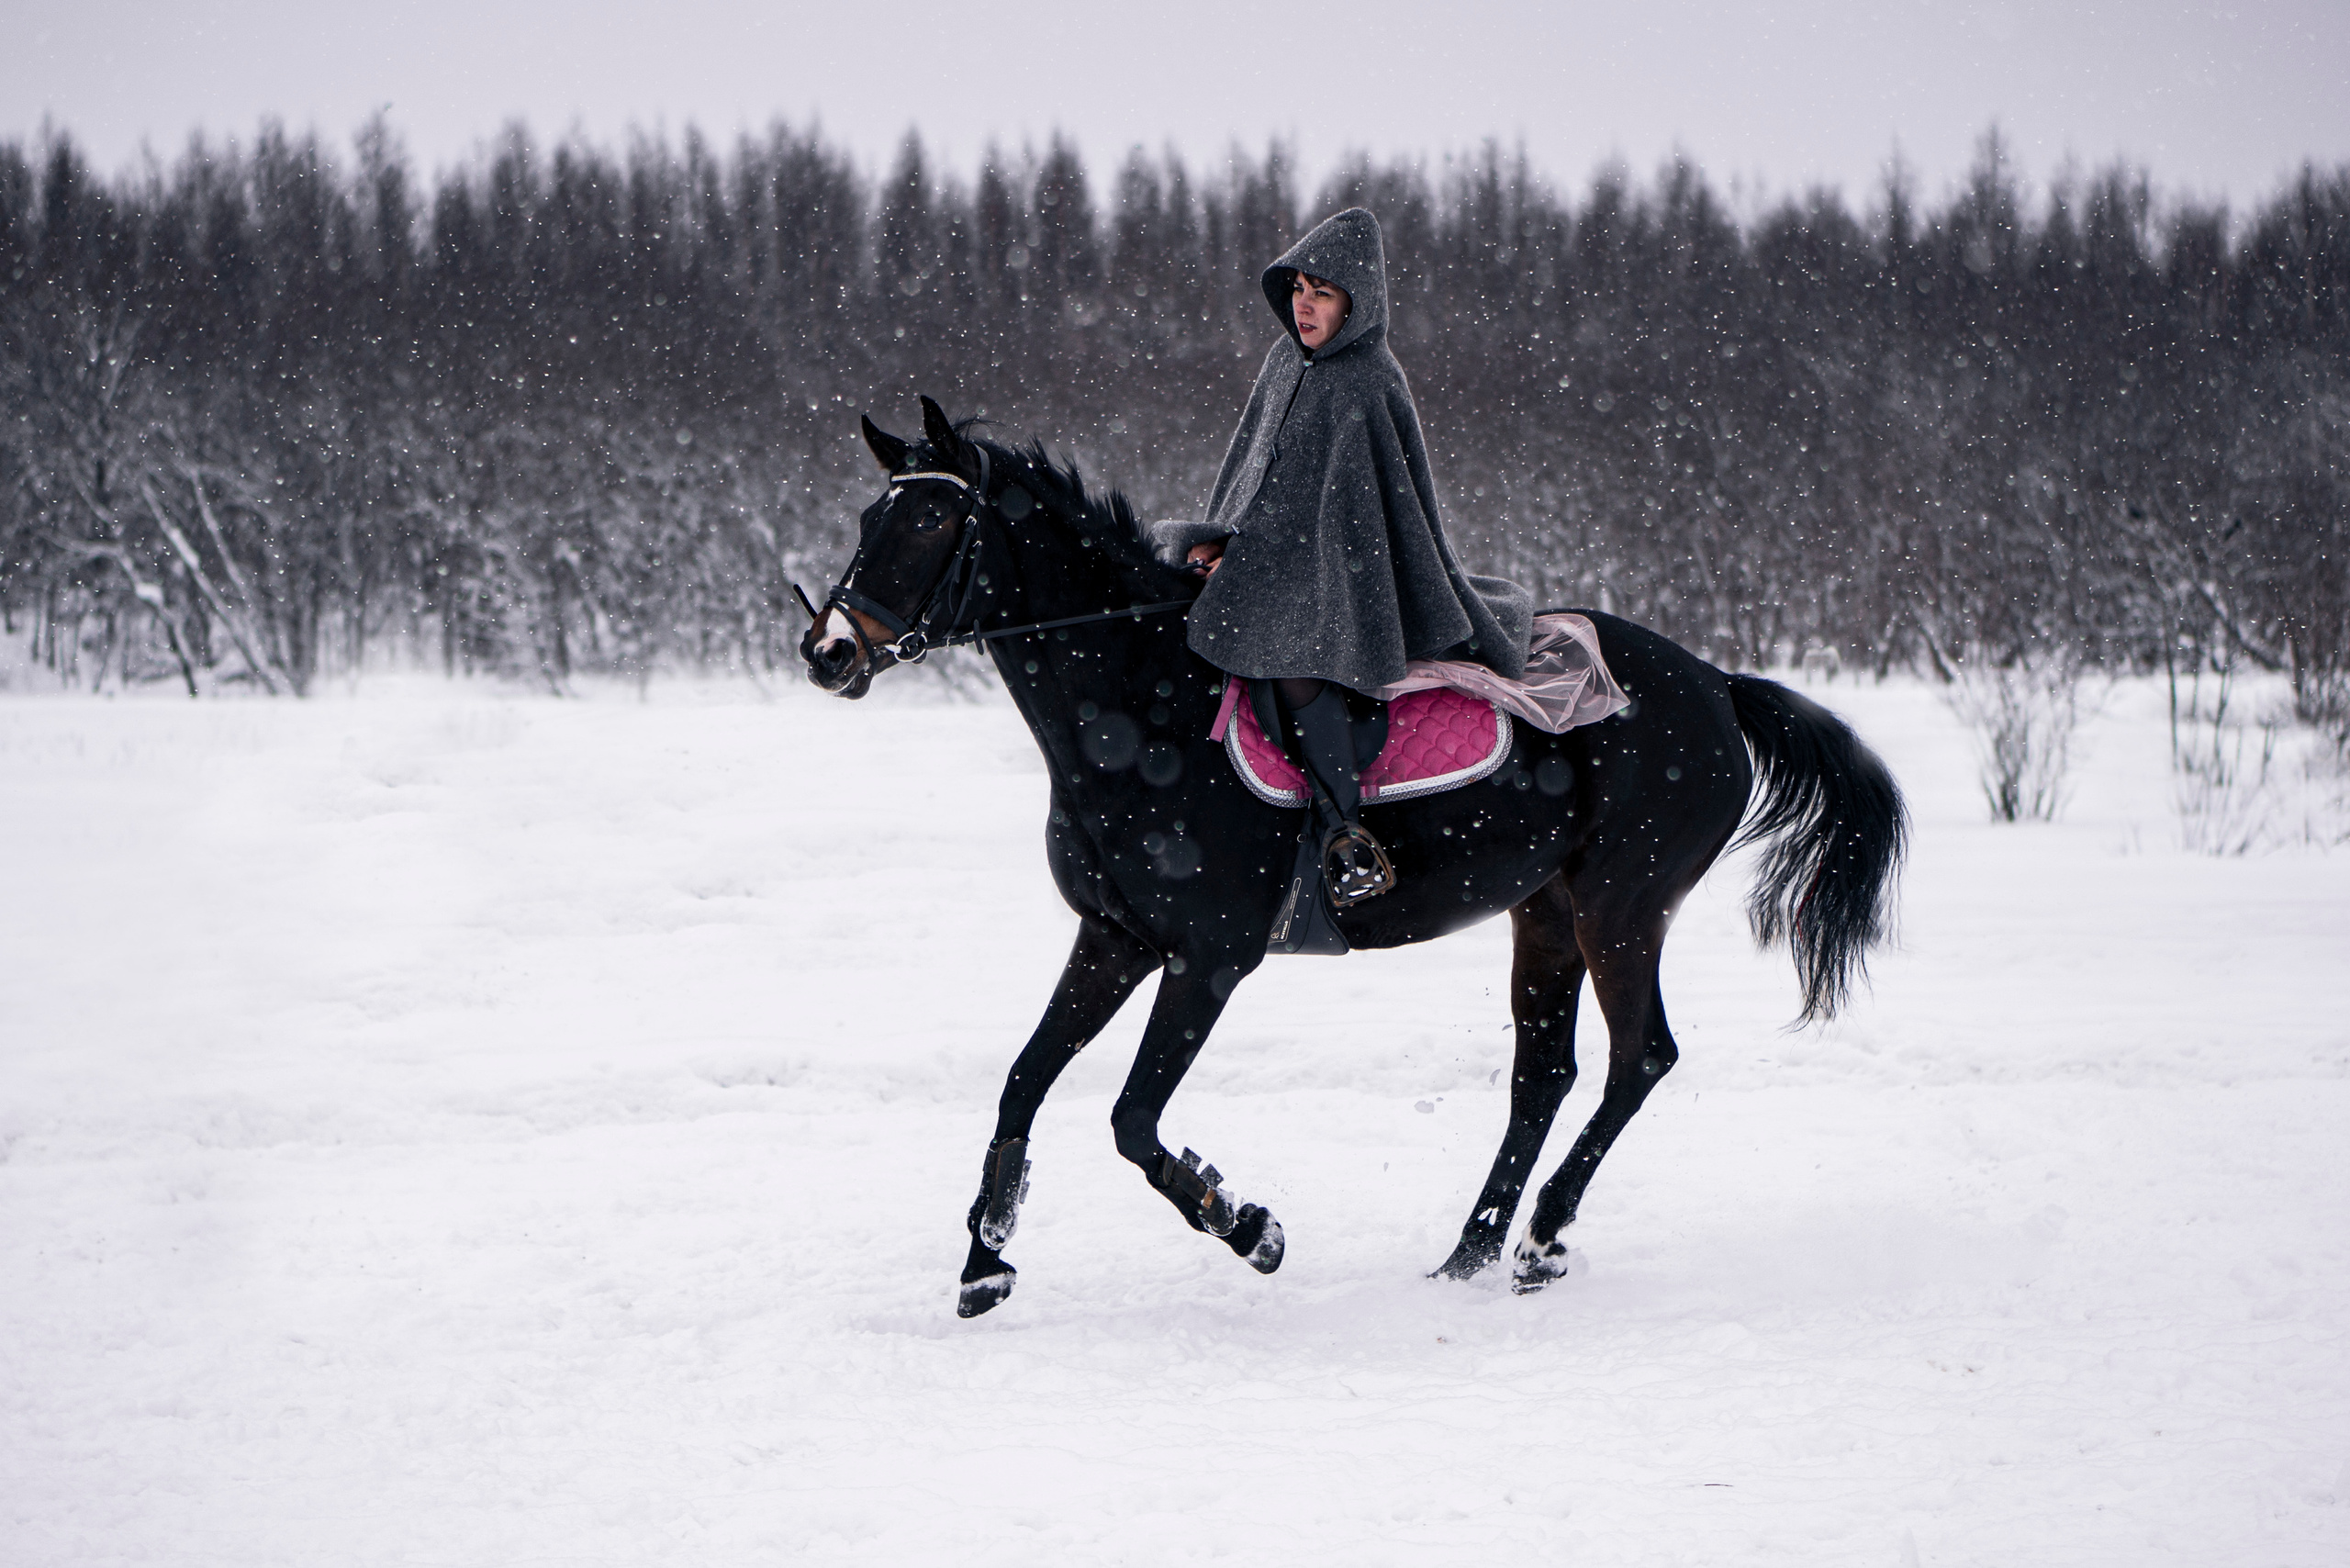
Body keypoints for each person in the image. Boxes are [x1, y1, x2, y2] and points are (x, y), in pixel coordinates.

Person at [1153, 207, 1532, 918]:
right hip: (1272, 568)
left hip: (1353, 584)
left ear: (1357, 303)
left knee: (1290, 660)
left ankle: (1343, 831)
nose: (1304, 303)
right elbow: (1254, 482)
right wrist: (1223, 540)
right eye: (1299, 287)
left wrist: (1268, 568)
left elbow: (1360, 521)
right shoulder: (1282, 363)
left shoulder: (1367, 381)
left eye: (1322, 292)